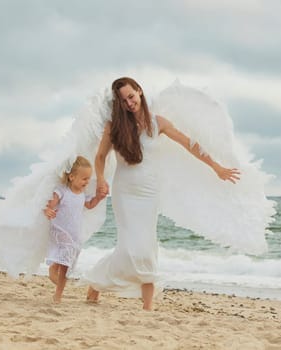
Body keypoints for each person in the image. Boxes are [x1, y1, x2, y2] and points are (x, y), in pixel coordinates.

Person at [83, 77, 240, 310]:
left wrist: (216, 167)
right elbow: (100, 157)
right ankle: (95, 285)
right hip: (125, 192)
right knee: (128, 246)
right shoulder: (114, 127)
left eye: (131, 97)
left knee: (145, 246)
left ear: (140, 92)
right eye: (124, 101)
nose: (129, 103)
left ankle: (146, 307)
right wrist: (101, 180)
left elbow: (191, 144)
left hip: (149, 193)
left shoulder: (158, 124)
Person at [43, 155, 106, 303]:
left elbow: (90, 205)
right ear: (71, 177)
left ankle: (58, 294)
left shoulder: (82, 194)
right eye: (84, 178)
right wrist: (48, 210)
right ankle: (53, 268)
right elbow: (50, 205)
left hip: (74, 233)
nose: (87, 182)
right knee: (64, 260)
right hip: (60, 230)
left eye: (88, 178)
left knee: (65, 267)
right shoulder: (62, 191)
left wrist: (98, 198)